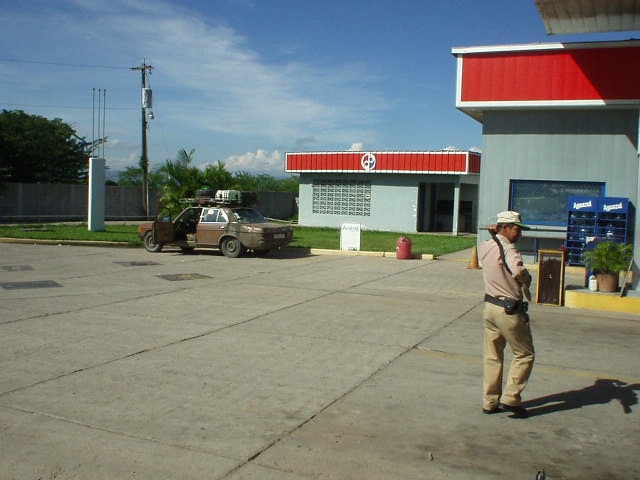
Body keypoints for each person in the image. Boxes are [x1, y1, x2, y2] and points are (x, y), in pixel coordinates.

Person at [478, 211, 535, 418]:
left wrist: (495, 236)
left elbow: (493, 246)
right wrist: (527, 279)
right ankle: (511, 398)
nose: (520, 233)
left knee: (492, 356)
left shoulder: (486, 246)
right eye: (517, 228)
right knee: (525, 354)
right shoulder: (509, 250)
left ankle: (490, 401)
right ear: (505, 228)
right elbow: (518, 271)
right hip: (508, 310)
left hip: (490, 308)